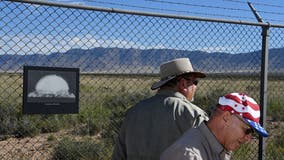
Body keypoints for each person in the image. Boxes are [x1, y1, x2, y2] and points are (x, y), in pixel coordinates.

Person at [112, 58, 208, 160]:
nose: (195, 87)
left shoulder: (133, 112)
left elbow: (119, 155)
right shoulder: (194, 114)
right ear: (183, 84)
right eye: (195, 82)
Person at [160, 92, 269, 160]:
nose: (248, 138)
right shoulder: (188, 155)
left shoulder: (217, 149)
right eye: (247, 130)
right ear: (226, 117)